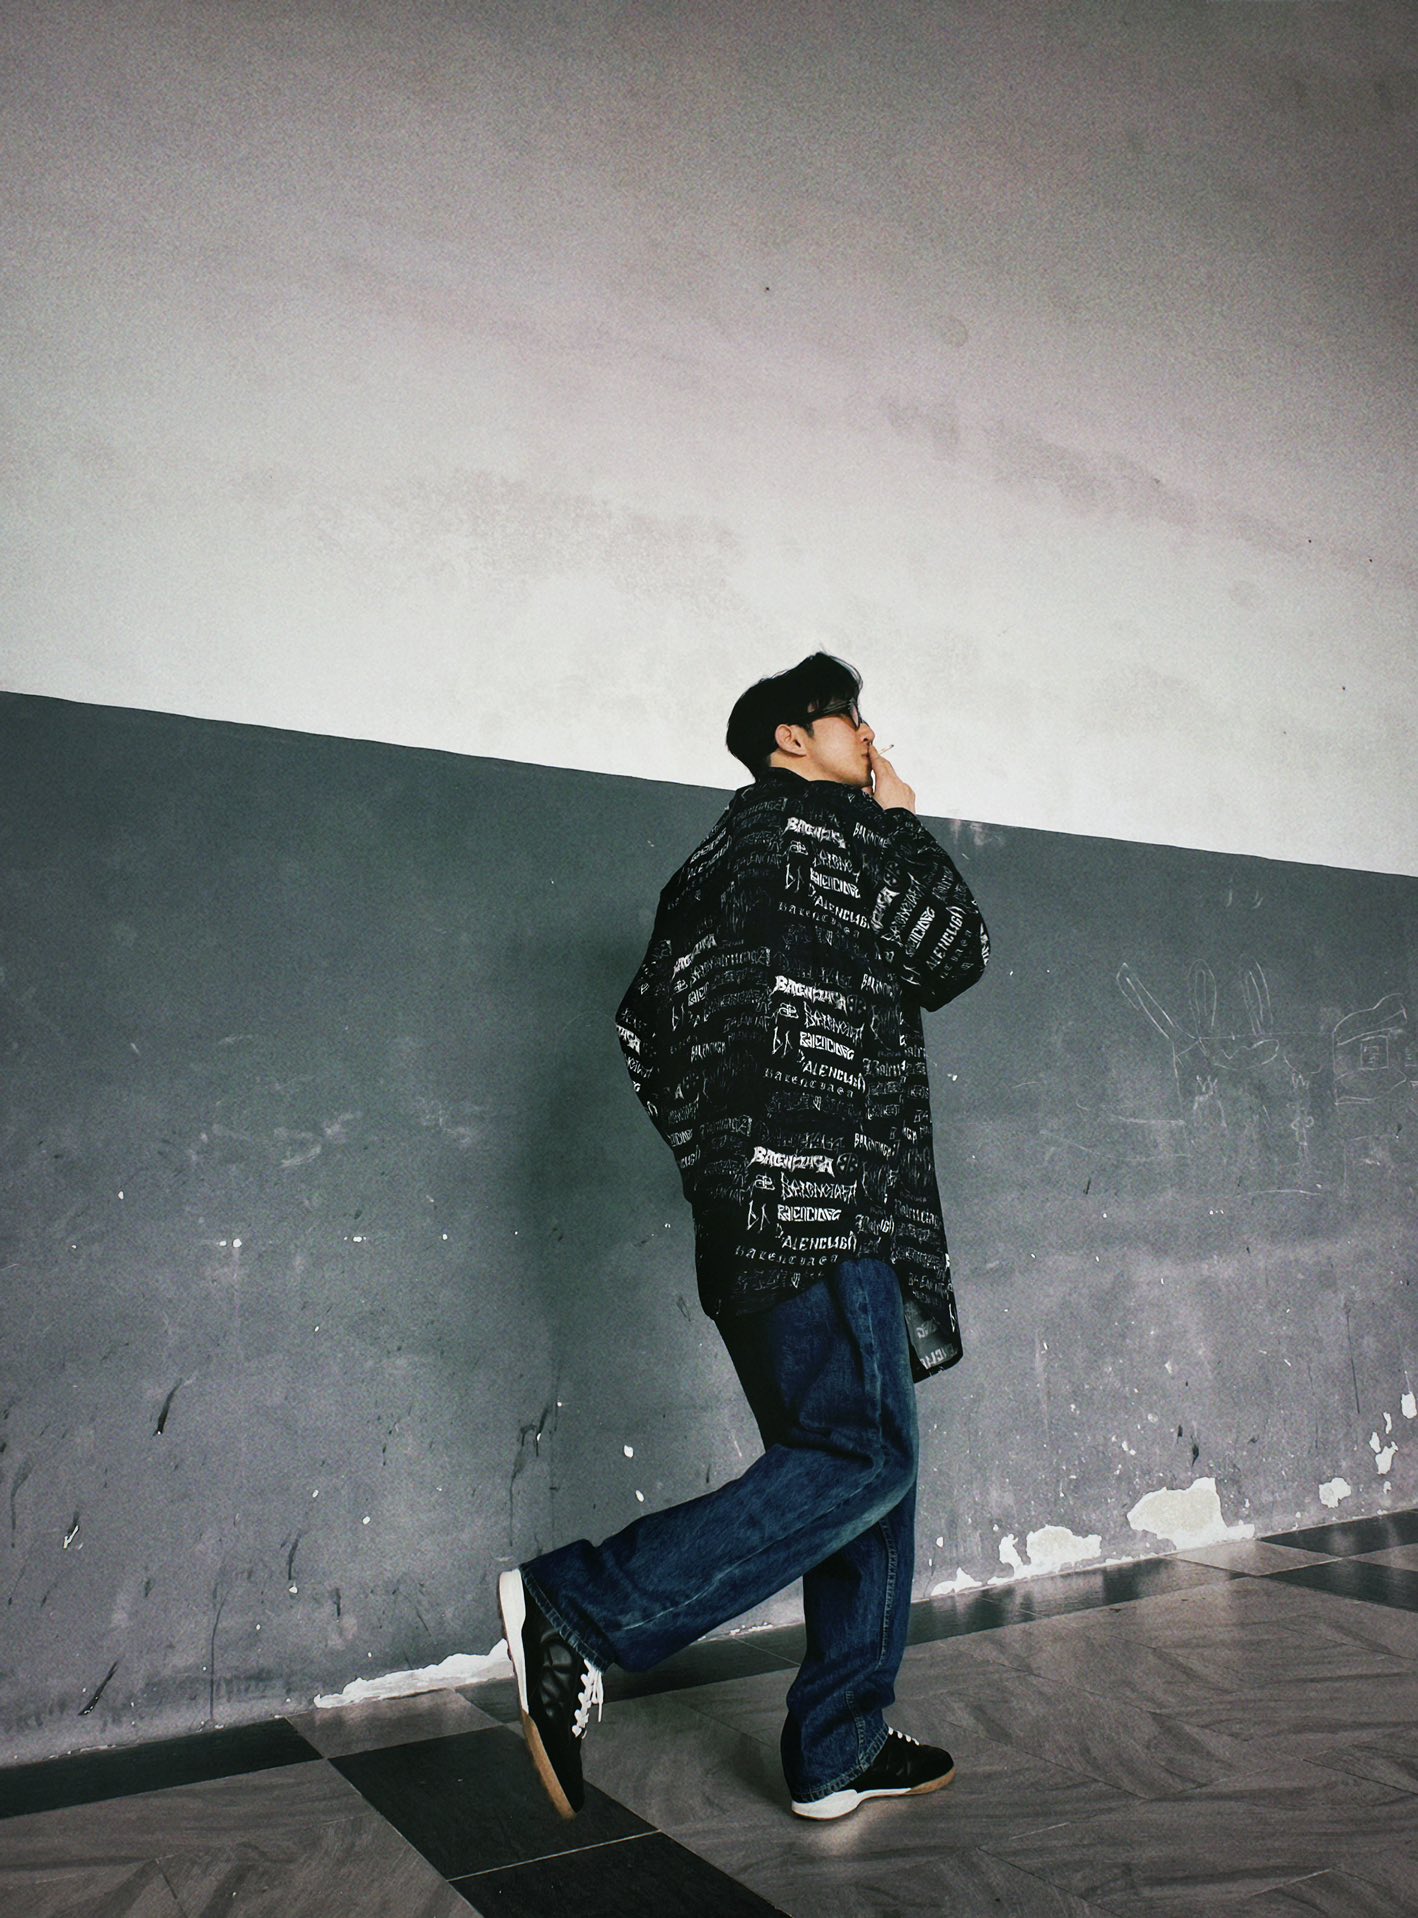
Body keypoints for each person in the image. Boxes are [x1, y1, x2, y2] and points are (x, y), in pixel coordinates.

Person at [498, 653, 989, 1821]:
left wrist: (731, 1167)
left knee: (857, 1473)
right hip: (833, 1212)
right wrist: (901, 817)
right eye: (848, 719)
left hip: (751, 1229)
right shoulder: (840, 831)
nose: (868, 736)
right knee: (862, 1458)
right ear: (789, 740)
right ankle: (579, 1606)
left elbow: (643, 1033)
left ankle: (837, 1746)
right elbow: (952, 949)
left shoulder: (710, 864)